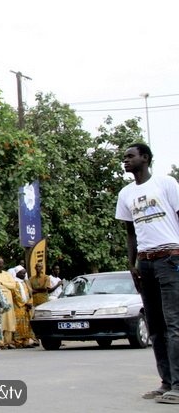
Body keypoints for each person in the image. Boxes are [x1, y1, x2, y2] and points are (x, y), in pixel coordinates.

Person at [116, 143, 179, 403]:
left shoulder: (166, 183)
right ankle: (166, 382)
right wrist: (132, 265)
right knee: (155, 326)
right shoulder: (125, 193)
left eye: (130, 156)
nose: (125, 160)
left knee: (174, 323)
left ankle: (178, 385)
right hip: (145, 262)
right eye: (124, 157)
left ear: (145, 158)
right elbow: (130, 234)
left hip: (170, 257)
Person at [0, 257, 18, 348]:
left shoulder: (7, 274)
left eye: (1, 263)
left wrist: (2, 283)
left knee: (9, 320)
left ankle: (8, 342)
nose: (0, 265)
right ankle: (0, 342)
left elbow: (13, 285)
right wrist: (4, 286)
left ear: (3, 264)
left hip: (8, 299)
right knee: (0, 320)